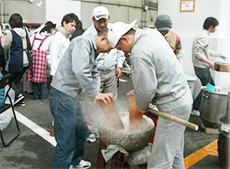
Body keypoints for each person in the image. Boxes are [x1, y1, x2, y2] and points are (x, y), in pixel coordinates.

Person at [107, 20, 193, 169]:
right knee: (175, 152)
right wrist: (140, 91)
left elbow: (146, 91)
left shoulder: (139, 53)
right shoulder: (151, 34)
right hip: (183, 98)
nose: (122, 51)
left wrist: (140, 105)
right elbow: (154, 76)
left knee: (160, 161)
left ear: (125, 38)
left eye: (120, 47)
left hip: (173, 107)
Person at [49, 28, 114, 169]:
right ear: (103, 39)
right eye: (109, 48)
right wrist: (95, 94)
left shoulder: (93, 49)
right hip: (62, 94)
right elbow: (81, 70)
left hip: (73, 95)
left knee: (81, 130)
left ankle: (75, 161)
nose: (109, 52)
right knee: (66, 141)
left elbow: (95, 72)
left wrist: (95, 93)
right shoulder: (82, 42)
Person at [83, 6, 125, 143]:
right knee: (93, 103)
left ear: (108, 19)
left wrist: (119, 65)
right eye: (99, 21)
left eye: (104, 20)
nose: (102, 24)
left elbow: (120, 49)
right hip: (96, 73)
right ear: (93, 20)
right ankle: (93, 130)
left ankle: (111, 127)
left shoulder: (113, 31)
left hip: (111, 71)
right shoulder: (88, 35)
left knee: (111, 100)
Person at [49, 13, 79, 136]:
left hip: (64, 77)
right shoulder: (58, 37)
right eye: (71, 25)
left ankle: (56, 127)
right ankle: (54, 128)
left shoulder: (66, 37)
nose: (73, 28)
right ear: (64, 23)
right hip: (58, 77)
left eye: (75, 26)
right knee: (58, 105)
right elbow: (53, 58)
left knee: (61, 105)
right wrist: (56, 76)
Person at [191, 17, 227, 116]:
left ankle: (203, 108)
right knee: (207, 88)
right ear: (211, 27)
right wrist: (209, 62)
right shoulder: (203, 36)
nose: (215, 29)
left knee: (211, 86)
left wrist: (219, 55)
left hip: (202, 66)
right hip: (201, 67)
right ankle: (195, 108)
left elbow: (205, 51)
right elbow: (197, 53)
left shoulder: (202, 34)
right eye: (215, 27)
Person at [1, 13, 31, 106]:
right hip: (25, 59)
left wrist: (3, 37)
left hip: (15, 59)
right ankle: (19, 97)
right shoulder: (25, 30)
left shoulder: (10, 32)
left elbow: (5, 46)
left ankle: (18, 96)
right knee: (17, 79)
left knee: (9, 78)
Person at [27, 21, 56, 100]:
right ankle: (44, 96)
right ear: (52, 29)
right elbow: (51, 49)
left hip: (33, 56)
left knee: (34, 78)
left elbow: (29, 42)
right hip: (42, 57)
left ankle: (36, 96)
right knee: (43, 79)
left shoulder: (35, 34)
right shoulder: (50, 37)